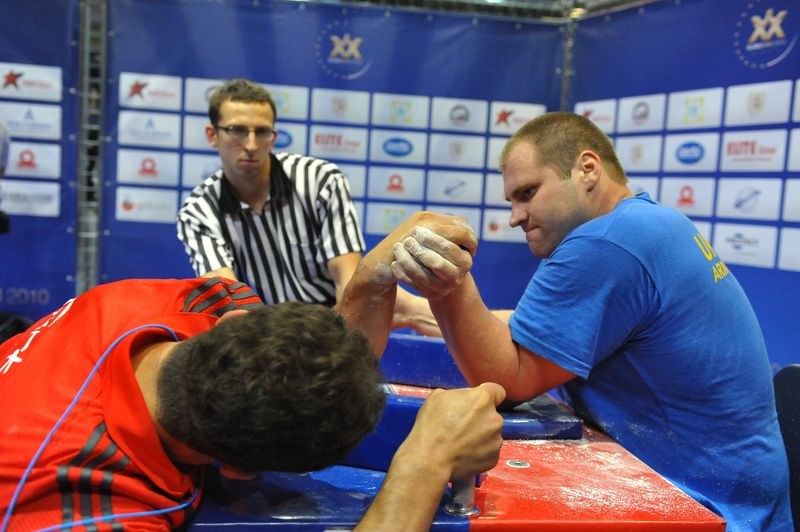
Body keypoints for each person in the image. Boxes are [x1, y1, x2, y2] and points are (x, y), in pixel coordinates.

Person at [390, 112, 793, 531]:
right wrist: (416, 312)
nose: (515, 216)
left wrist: (446, 285)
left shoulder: (607, 242)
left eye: (527, 192)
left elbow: (508, 379)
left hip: (715, 511)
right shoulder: (647, 224)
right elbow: (540, 331)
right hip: (741, 499)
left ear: (587, 169)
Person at [0, 212, 506, 531]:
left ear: (234, 322)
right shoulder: (75, 503)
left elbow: (322, 360)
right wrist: (423, 464)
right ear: (238, 472)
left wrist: (368, 282)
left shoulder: (169, 303)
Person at [176, 78, 439, 335]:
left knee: (399, 304)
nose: (251, 145)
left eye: (262, 132)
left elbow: (347, 284)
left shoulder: (320, 180)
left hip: (336, 313)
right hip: (264, 329)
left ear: (274, 136)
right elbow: (232, 305)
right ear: (213, 135)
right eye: (237, 130)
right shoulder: (197, 212)